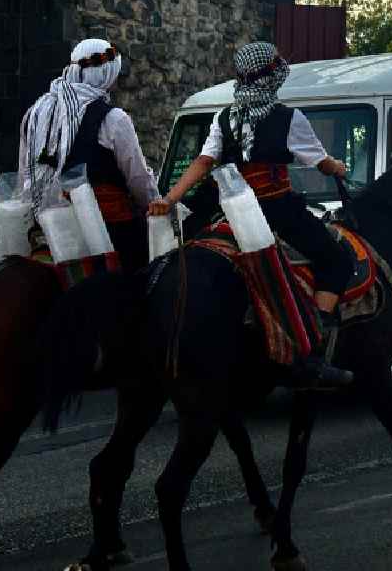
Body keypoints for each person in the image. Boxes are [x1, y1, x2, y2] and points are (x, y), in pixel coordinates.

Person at [150, 42, 353, 389]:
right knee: (337, 260)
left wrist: (169, 199)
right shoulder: (290, 119)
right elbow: (320, 162)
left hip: (224, 210)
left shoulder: (223, 117)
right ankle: (313, 348)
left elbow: (203, 162)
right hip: (274, 210)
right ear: (273, 77)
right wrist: (339, 167)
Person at [18, 38, 158, 272]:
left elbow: (25, 174)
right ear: (107, 74)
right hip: (106, 228)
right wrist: (156, 204)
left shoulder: (35, 114)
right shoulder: (113, 120)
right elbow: (138, 180)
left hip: (43, 223)